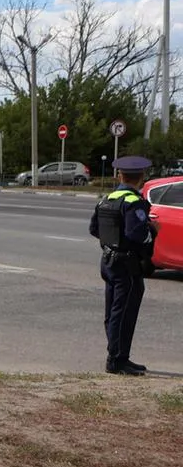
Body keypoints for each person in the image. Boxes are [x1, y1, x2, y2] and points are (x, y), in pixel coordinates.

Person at [88, 156, 158, 375]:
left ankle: (117, 354)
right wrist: (153, 230)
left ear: (120, 175)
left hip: (108, 261)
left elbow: (94, 229)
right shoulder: (133, 202)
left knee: (113, 311)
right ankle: (117, 360)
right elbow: (136, 234)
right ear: (142, 178)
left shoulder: (107, 199)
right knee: (124, 313)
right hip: (127, 264)